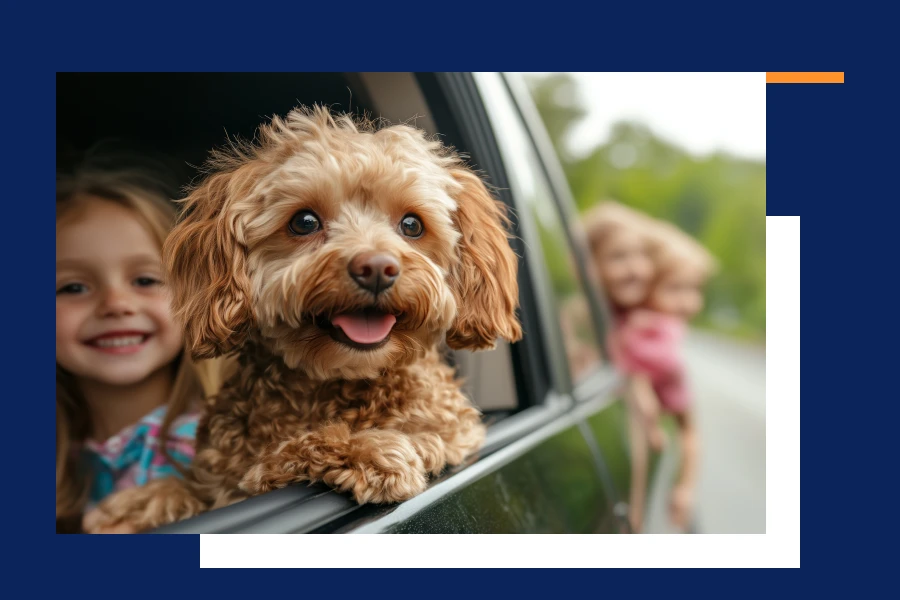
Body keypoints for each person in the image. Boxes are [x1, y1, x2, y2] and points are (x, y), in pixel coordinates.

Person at [56, 161, 221, 533]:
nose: (116, 303)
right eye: (73, 287)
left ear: (192, 297)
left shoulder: (213, 447)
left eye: (146, 279)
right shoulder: (62, 459)